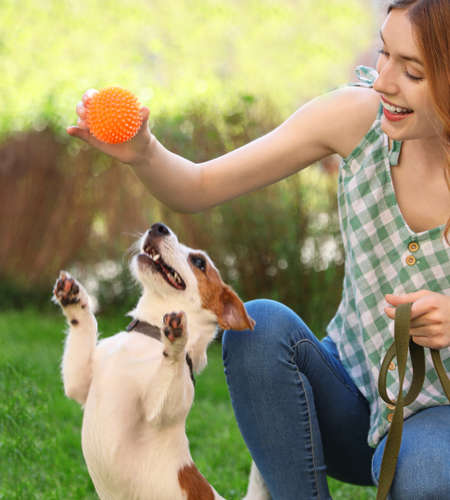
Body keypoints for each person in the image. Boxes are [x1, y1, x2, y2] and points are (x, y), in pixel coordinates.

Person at [67, 1, 450, 498]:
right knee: (258, 327)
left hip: (436, 431)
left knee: (426, 471)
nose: (383, 81)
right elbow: (200, 185)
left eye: (412, 71)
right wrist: (145, 153)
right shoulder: (356, 119)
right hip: (347, 397)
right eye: (385, 54)